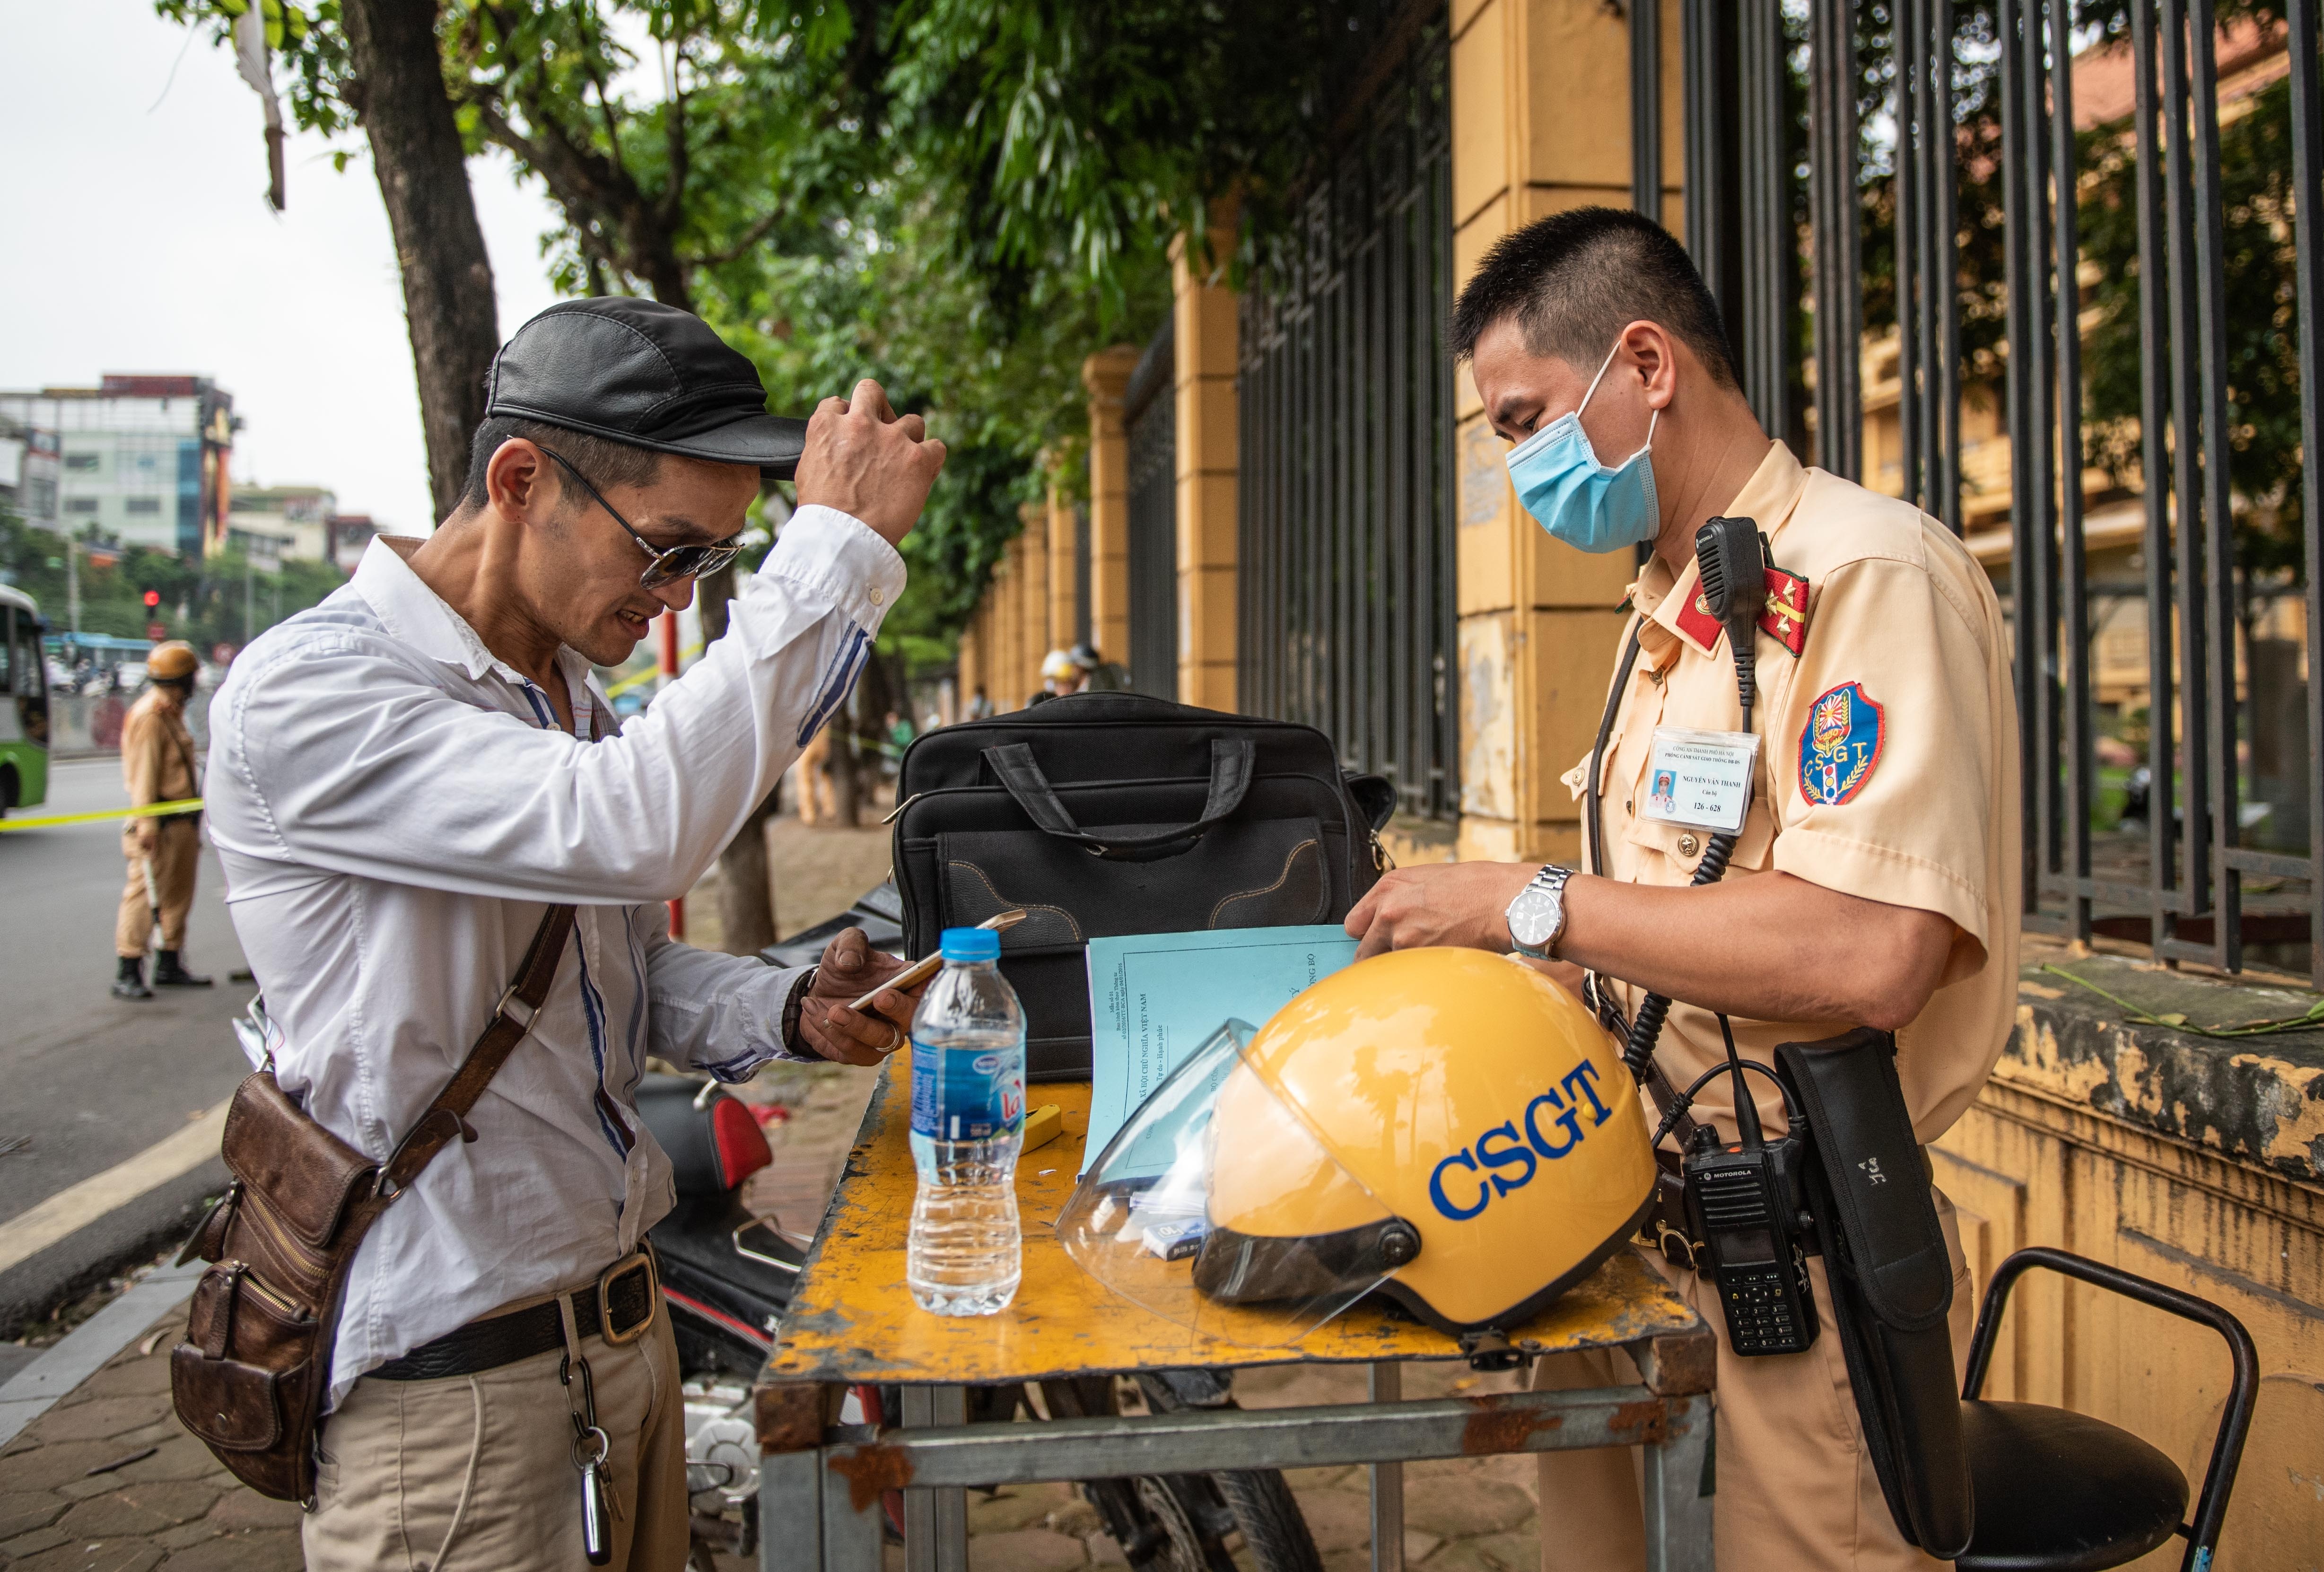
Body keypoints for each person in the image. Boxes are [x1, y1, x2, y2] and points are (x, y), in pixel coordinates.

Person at [203, 297, 946, 1572]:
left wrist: (786, 1010)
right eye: (664, 551)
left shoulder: (563, 699)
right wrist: (827, 547)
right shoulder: (315, 691)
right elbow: (638, 828)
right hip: (452, 1399)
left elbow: (610, 975)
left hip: (619, 1339)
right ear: (520, 479)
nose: (672, 597)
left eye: (706, 566)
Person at [1343, 208, 2019, 1572]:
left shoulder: (1865, 573)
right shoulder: (1675, 604)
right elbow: (1652, 924)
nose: (1517, 463)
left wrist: (1524, 901)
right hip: (1617, 1233)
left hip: (1796, 1263)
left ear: (1644, 363)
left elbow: (1875, 946)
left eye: (1524, 417)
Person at [112, 640, 211, 999]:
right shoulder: (150, 717)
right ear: (182, 681)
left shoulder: (170, 712)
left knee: (177, 897)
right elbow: (143, 775)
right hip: (161, 823)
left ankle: (169, 962)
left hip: (182, 820)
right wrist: (148, 824)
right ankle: (129, 967)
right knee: (142, 898)